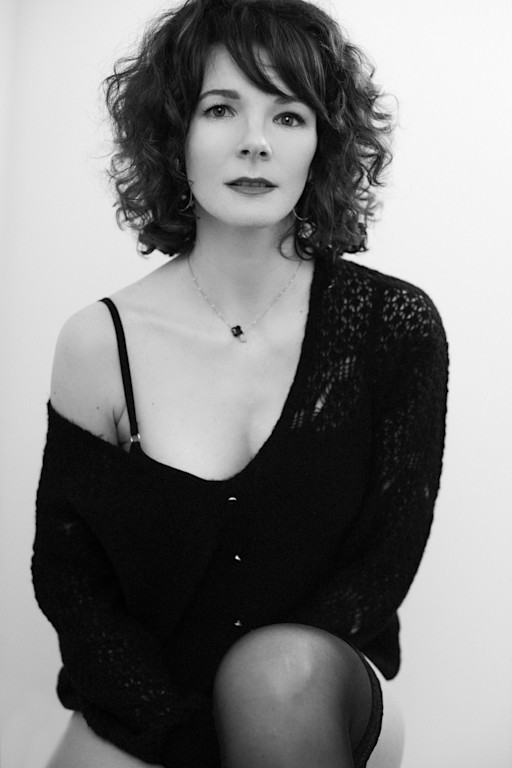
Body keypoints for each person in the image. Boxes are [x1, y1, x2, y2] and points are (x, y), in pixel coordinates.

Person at [32, 0, 448, 765]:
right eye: (221, 108)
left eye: (288, 116)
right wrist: (171, 724)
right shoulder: (99, 342)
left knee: (275, 676)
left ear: (322, 144)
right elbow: (71, 579)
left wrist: (243, 719)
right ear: (174, 135)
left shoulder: (393, 327)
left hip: (319, 685)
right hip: (152, 705)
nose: (255, 141)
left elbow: (381, 568)